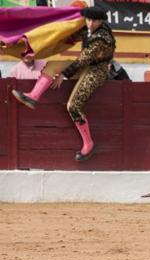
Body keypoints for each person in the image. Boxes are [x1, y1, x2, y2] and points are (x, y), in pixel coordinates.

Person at [11, 6, 115, 162]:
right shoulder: (87, 28)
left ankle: (89, 144)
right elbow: (70, 33)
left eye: (94, 20)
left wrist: (64, 75)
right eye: (88, 19)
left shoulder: (101, 37)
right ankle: (33, 96)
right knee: (52, 65)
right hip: (84, 66)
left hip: (97, 70)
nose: (90, 23)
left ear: (100, 21)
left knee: (73, 106)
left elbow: (83, 59)